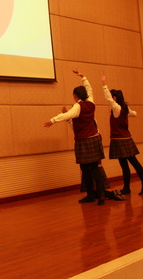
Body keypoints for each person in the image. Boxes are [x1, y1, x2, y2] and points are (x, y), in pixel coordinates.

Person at [44, 70, 106, 205]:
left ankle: (91, 195)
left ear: (75, 96)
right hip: (94, 139)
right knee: (95, 168)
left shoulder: (78, 106)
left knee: (85, 169)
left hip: (83, 141)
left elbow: (68, 115)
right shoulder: (91, 103)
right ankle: (101, 196)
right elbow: (90, 90)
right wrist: (84, 77)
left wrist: (53, 120)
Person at [101, 73, 143, 195]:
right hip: (126, 138)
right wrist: (130, 112)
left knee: (128, 164)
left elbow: (108, 98)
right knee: (130, 163)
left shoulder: (117, 108)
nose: (110, 101)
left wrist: (104, 83)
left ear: (114, 98)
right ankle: (128, 187)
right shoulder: (124, 108)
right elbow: (134, 114)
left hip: (120, 140)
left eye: (112, 98)